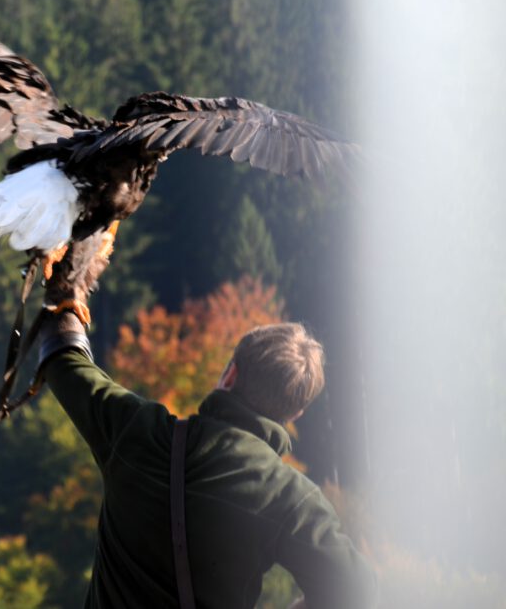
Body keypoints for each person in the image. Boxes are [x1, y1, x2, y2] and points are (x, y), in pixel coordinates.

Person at [36, 236, 377, 608]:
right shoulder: (290, 499)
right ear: (294, 414)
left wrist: (67, 285)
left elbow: (62, 360)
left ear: (230, 376)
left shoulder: (136, 430)